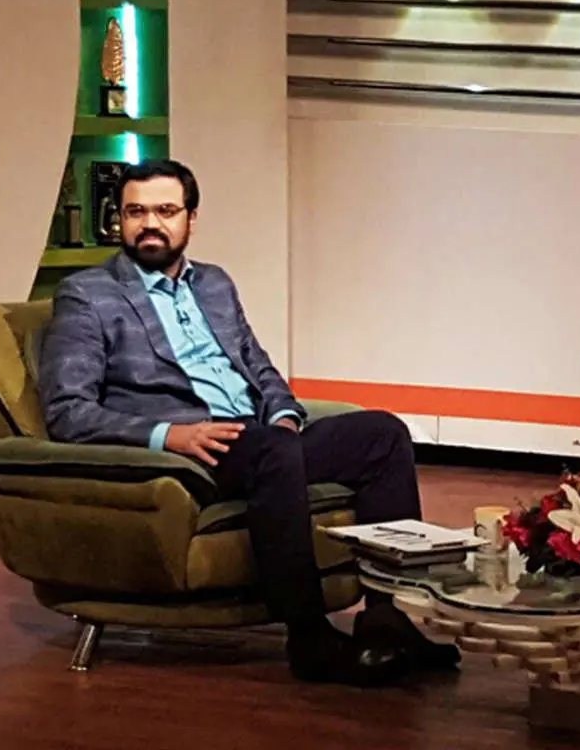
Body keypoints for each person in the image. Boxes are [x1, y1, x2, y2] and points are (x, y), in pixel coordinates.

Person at [38, 158, 457, 687]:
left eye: (166, 211)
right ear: (118, 219)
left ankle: (387, 619)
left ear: (191, 218)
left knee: (382, 434)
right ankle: (309, 637)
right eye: (135, 212)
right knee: (270, 451)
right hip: (189, 451)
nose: (150, 224)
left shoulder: (214, 283)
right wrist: (171, 436)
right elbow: (67, 411)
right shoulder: (88, 294)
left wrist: (283, 414)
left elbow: (257, 366)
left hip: (257, 440)